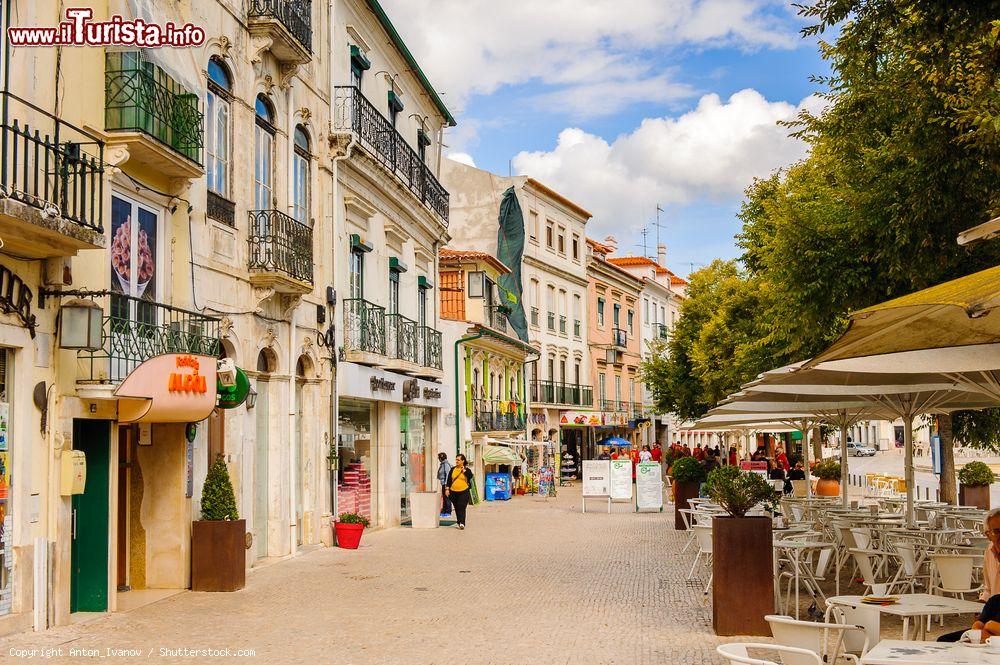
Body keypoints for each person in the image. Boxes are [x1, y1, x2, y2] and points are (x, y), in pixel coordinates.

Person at [445, 453, 474, 530]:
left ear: (463, 461)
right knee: (457, 507)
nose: (456, 461)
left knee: (461, 507)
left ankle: (462, 523)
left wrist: (464, 471)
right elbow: (449, 480)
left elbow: (470, 476)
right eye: (456, 460)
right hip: (453, 492)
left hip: (464, 491)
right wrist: (447, 489)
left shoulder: (467, 470)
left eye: (458, 460)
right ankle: (459, 521)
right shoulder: (452, 469)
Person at [436, 452, 453, 517]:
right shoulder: (443, 464)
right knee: (445, 498)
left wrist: (446, 485)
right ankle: (444, 510)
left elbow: (448, 474)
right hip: (444, 483)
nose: (438, 459)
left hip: (446, 484)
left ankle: (448, 511)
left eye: (438, 458)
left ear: (441, 458)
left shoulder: (446, 465)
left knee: (447, 497)